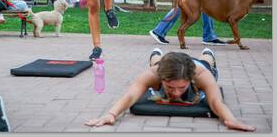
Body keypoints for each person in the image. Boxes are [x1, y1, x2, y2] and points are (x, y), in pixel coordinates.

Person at [85, 48, 256, 132]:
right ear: (162, 79)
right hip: (163, 65)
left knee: (206, 60)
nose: (175, 93)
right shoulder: (154, 74)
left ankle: (208, 53)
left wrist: (230, 119)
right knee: (155, 63)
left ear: (190, 80)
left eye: (181, 87)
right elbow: (130, 95)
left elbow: (215, 101)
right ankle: (156, 54)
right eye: (169, 87)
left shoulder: (201, 75)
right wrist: (111, 114)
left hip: (199, 65)